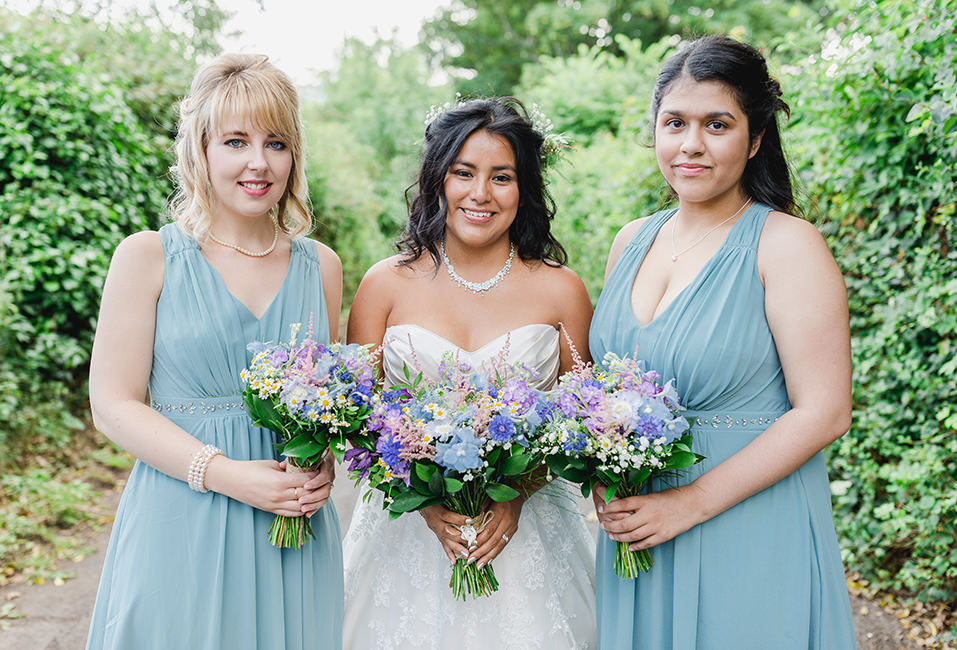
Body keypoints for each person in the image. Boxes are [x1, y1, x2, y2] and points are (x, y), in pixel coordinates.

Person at [589, 35, 858, 649]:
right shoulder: (630, 240)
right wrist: (603, 469)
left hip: (747, 520)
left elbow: (825, 411)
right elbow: (605, 391)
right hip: (639, 524)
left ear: (755, 138)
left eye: (717, 124)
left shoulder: (787, 244)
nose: (691, 144)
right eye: (674, 122)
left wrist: (691, 503)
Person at [86, 53, 343, 650]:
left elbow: (325, 404)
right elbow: (113, 404)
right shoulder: (148, 257)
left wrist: (322, 462)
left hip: (292, 528)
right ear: (201, 150)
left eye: (276, 143)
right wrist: (224, 474)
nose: (258, 162)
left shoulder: (321, 267)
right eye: (235, 141)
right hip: (181, 516)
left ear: (294, 156)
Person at [342, 98, 597, 649]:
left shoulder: (562, 290)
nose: (481, 193)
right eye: (464, 173)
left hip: (528, 534)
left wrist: (518, 493)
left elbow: (582, 423)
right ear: (438, 181)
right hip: (405, 534)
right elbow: (356, 420)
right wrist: (425, 500)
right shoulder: (384, 285)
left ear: (524, 189)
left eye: (501, 177)